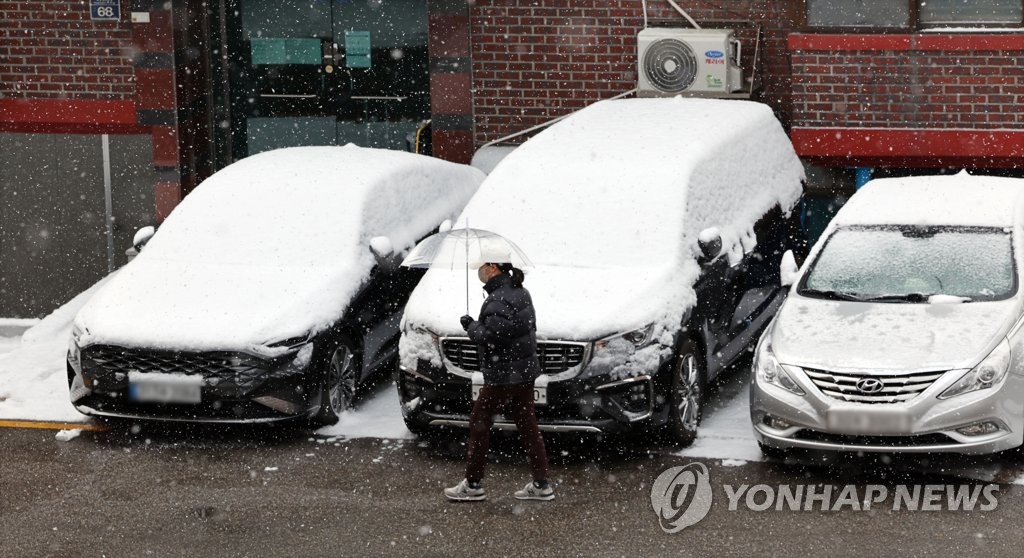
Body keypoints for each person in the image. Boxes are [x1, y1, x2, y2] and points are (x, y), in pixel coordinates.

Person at [443, 261, 554, 502]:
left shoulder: (497, 300)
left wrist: (471, 326)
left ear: (493, 268)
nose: (478, 271)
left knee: (479, 423)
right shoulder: (520, 292)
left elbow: (493, 337)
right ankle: (541, 483)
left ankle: (473, 484)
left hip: (503, 376)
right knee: (528, 424)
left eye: (482, 266)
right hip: (523, 372)